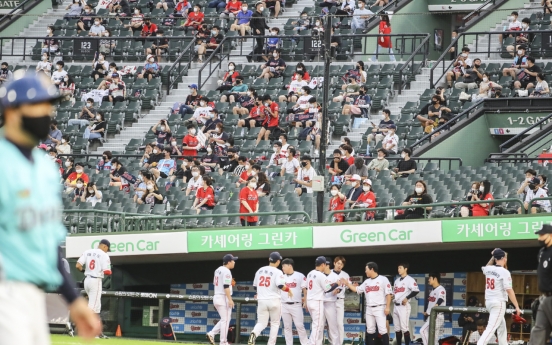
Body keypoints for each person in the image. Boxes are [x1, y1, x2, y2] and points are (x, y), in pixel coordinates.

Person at [0, 74, 101, 344]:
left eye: (49, 105)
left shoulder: (45, 166)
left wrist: (74, 301)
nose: (47, 111)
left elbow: (49, 246)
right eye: (38, 105)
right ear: (11, 112)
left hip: (33, 295)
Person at [341, 262, 392, 345]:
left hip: (380, 307)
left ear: (372, 269)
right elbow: (356, 289)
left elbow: (388, 294)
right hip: (369, 308)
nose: (365, 271)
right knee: (370, 330)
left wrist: (388, 307)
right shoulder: (366, 282)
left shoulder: (383, 279)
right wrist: (347, 284)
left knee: (383, 330)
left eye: (366, 269)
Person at [477, 249, 521, 345]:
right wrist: (517, 306)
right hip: (498, 303)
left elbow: (486, 266)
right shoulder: (504, 272)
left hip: (489, 303)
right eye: (505, 257)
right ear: (503, 259)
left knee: (502, 327)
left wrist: (494, 256)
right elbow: (509, 290)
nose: (506, 259)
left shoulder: (488, 269)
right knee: (490, 329)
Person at [248, 252, 291, 345]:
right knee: (275, 324)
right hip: (274, 300)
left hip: (262, 301)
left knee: (261, 323)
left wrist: (260, 292)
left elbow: (255, 287)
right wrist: (289, 290)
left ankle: (254, 333)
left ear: (269, 259)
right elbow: (281, 285)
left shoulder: (260, 270)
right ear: (278, 261)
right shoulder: (278, 271)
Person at [76, 239, 111, 339]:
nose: (107, 251)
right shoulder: (104, 255)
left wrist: (86, 271)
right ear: (104, 246)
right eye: (107, 249)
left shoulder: (87, 252)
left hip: (87, 280)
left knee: (96, 307)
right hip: (96, 281)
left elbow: (78, 266)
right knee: (92, 307)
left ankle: (97, 333)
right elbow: (108, 272)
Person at [306, 257, 340, 345]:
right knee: (317, 326)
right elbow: (327, 289)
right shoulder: (321, 275)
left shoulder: (310, 273)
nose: (326, 266)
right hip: (317, 302)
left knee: (317, 325)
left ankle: (313, 342)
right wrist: (336, 284)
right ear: (322, 265)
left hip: (310, 301)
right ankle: (312, 343)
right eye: (325, 264)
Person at [528, 225, 552, 345]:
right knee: (538, 330)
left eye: (542, 235)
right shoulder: (542, 252)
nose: (539, 238)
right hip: (545, 297)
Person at [207, 254, 238, 345]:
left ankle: (212, 333)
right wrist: (230, 299)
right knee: (225, 320)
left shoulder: (218, 269)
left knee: (225, 319)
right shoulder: (226, 271)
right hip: (223, 297)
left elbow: (217, 283)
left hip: (217, 296)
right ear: (229, 262)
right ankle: (223, 342)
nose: (234, 262)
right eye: (233, 261)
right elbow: (225, 286)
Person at [280, 258, 309, 345]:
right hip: (284, 304)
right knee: (287, 327)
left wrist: (306, 301)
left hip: (296, 304)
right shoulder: (281, 277)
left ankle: (305, 343)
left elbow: (305, 290)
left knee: (300, 326)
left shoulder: (300, 275)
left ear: (290, 266)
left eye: (284, 266)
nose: (282, 268)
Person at [393, 263, 419, 345]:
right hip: (396, 306)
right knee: (397, 328)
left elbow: (416, 290)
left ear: (406, 269)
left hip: (404, 306)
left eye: (400, 268)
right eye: (398, 268)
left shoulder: (410, 280)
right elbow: (395, 293)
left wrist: (407, 298)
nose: (399, 269)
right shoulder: (396, 281)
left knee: (404, 328)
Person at [420, 273, 447, 345]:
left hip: (437, 316)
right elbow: (431, 304)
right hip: (432, 316)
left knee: (422, 331)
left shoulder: (441, 289)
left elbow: (440, 298)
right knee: (434, 339)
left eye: (430, 278)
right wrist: (427, 312)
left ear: (435, 279)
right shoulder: (432, 291)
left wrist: (437, 304)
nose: (428, 280)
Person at [333, 256, 350, 345]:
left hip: (340, 300)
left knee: (339, 323)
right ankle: (332, 342)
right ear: (334, 263)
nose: (340, 265)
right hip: (330, 301)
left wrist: (352, 285)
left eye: (342, 264)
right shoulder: (328, 273)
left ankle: (339, 343)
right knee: (331, 324)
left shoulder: (345, 275)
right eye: (338, 263)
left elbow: (349, 288)